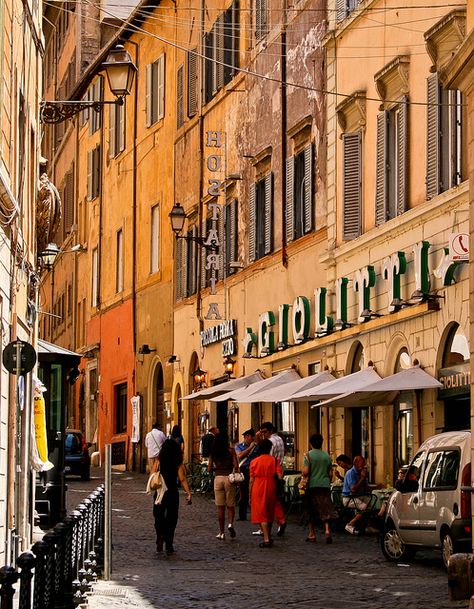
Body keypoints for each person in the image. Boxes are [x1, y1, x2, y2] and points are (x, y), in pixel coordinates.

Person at [152, 438, 192, 555]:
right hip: (172, 492)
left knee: (158, 515)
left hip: (160, 491)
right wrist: (188, 493)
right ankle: (169, 544)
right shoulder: (177, 461)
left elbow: (153, 473)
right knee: (172, 518)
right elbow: (182, 479)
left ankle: (160, 534)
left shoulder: (159, 459)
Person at [302, 433, 338, 543]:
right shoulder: (327, 456)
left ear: (310, 443)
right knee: (325, 508)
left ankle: (312, 534)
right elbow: (330, 474)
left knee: (311, 509)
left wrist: (303, 473)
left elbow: (306, 471)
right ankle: (327, 531)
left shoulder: (308, 455)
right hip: (325, 485)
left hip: (312, 485)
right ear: (321, 443)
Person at [249, 438, 283, 548]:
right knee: (269, 511)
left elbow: (251, 480)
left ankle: (266, 538)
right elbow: (280, 476)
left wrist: (249, 494)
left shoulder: (254, 462)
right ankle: (268, 535)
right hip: (271, 485)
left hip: (258, 486)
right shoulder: (274, 460)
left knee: (261, 512)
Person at [208, 432, 239, 539]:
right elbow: (236, 465)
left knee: (220, 508)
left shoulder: (214, 453)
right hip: (229, 478)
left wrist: (216, 468)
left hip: (218, 478)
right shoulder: (231, 451)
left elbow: (209, 468)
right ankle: (230, 524)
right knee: (230, 505)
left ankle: (221, 533)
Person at [258, 422, 287, 536]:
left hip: (269, 474)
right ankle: (281, 521)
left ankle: (264, 527)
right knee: (275, 500)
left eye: (265, 432)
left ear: (270, 430)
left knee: (265, 502)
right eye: (262, 432)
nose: (263, 434)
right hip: (279, 472)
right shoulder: (280, 439)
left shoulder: (270, 442)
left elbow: (266, 458)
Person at [342, 455, 372, 535]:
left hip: (359, 496)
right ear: (355, 463)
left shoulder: (360, 472)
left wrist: (365, 478)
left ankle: (368, 525)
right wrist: (362, 478)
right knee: (364, 507)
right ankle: (350, 524)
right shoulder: (350, 473)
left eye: (364, 464)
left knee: (372, 503)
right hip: (349, 498)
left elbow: (366, 488)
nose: (364, 466)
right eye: (362, 464)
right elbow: (353, 489)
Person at [235, 429, 259, 521]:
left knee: (254, 493)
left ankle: (256, 514)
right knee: (243, 493)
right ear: (246, 437)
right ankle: (242, 515)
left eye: (253, 437)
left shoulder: (257, 447)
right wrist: (250, 448)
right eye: (250, 437)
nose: (252, 439)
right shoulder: (239, 446)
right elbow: (240, 455)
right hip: (244, 470)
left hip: (254, 471)